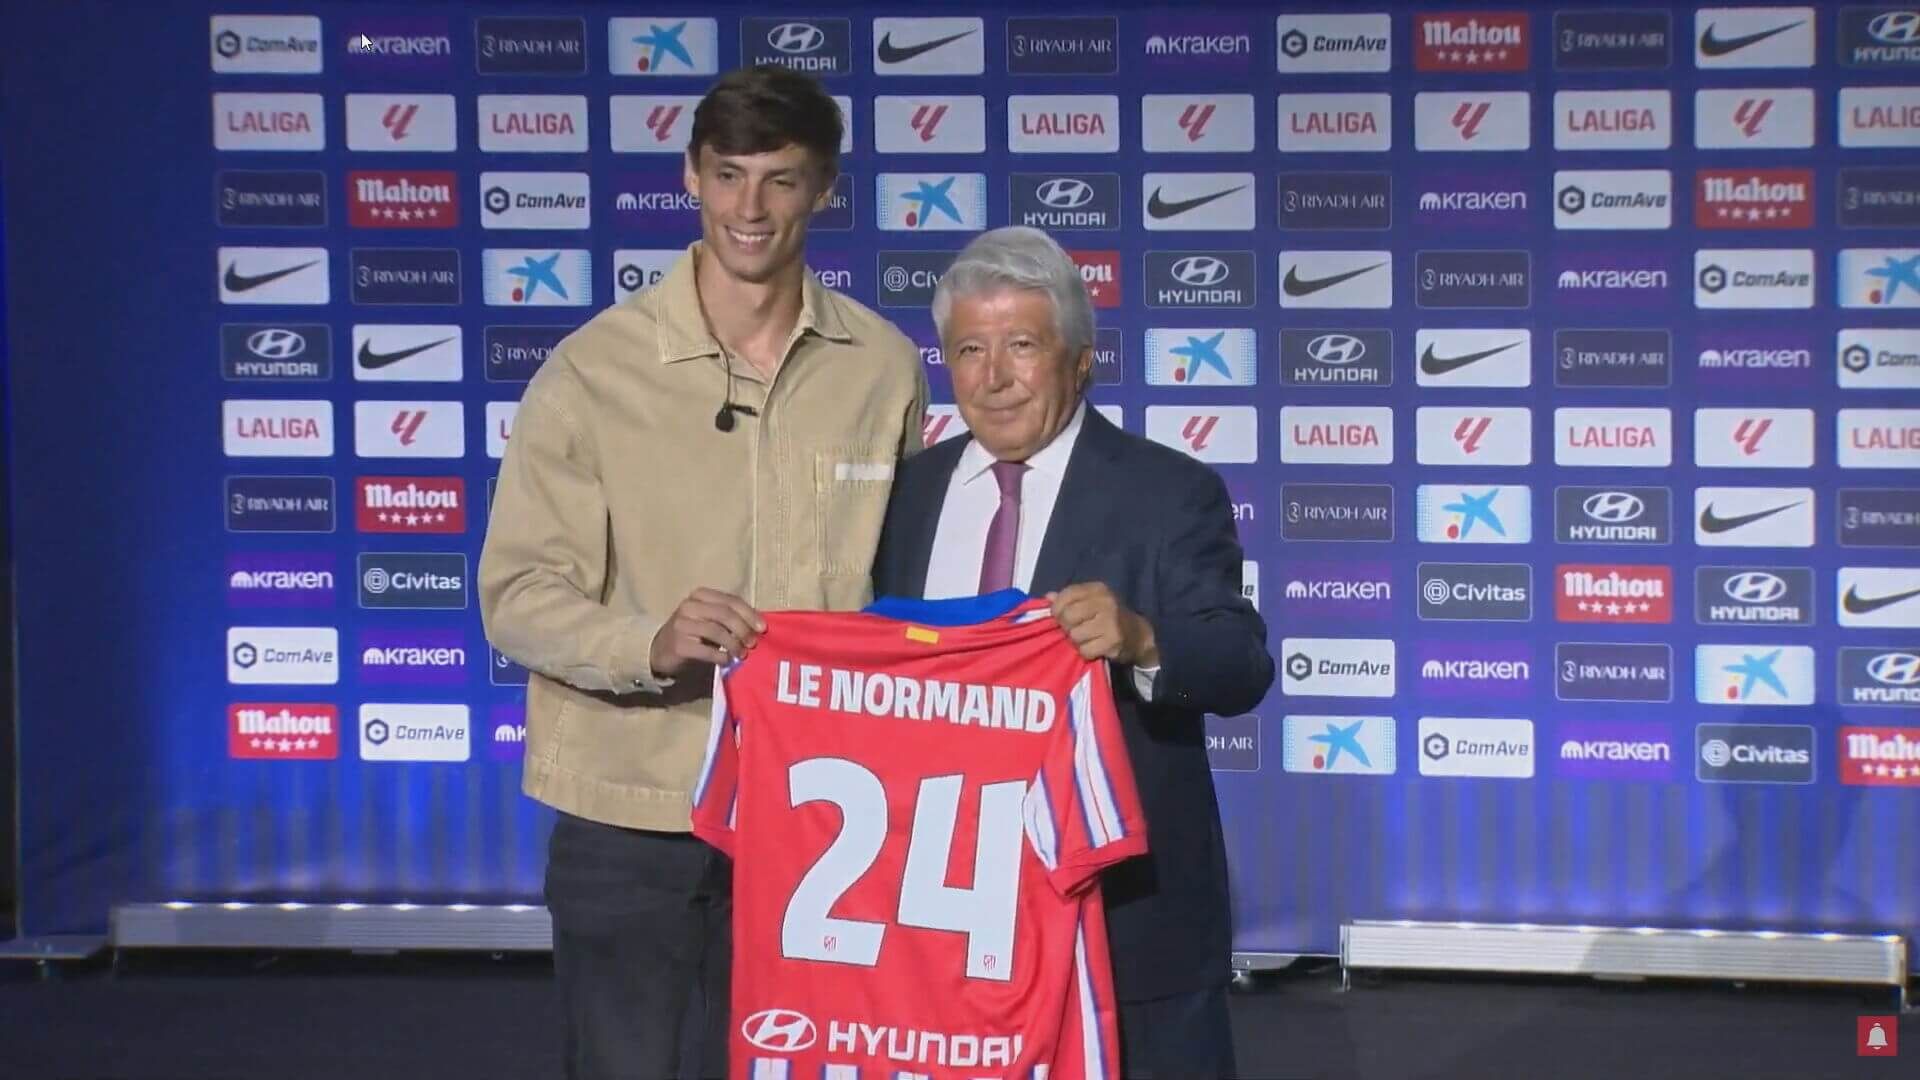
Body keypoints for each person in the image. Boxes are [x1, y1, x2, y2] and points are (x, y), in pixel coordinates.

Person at [479, 65, 926, 1080]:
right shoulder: (594, 370)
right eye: (728, 176)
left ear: (827, 189)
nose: (750, 209)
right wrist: (648, 643)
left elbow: (908, 589)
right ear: (689, 177)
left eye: (780, 179)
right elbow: (516, 596)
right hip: (634, 807)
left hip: (823, 816)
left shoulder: (883, 366)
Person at [871, 226, 1272, 1078]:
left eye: (1023, 345)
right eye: (970, 348)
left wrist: (1145, 639)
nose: (994, 376)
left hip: (1125, 910)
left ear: (1080, 359)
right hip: (940, 906)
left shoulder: (1169, 491)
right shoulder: (907, 494)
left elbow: (1239, 665)